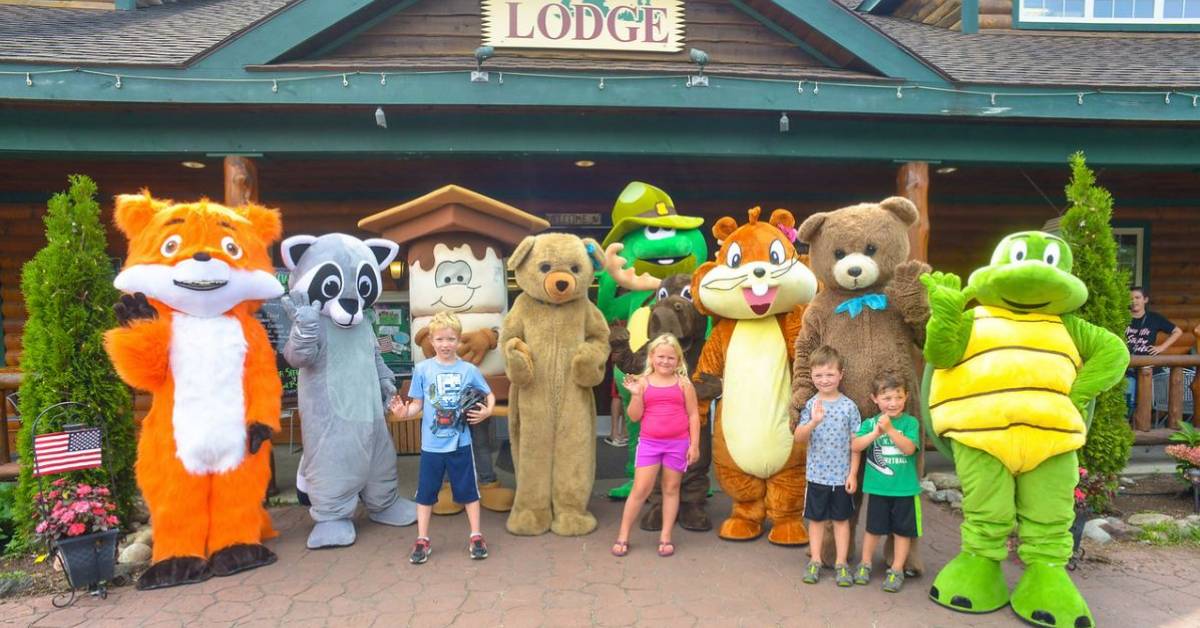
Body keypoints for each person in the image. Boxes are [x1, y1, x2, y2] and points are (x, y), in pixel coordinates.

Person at [389, 311, 496, 564]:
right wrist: (404, 412)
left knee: (469, 492)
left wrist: (487, 411)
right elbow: (416, 404)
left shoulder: (468, 370)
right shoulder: (423, 369)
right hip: (431, 446)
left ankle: (476, 535)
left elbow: (488, 394)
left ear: (458, 340)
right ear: (432, 341)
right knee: (425, 494)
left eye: (451, 339)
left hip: (461, 444)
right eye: (440, 339)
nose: (445, 344)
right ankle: (422, 538)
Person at [610, 333, 701, 558]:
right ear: (652, 357)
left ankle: (666, 536)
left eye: (670, 358)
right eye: (661, 356)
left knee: (671, 488)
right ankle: (623, 535)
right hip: (650, 443)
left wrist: (695, 445)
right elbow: (633, 416)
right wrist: (636, 396)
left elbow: (693, 415)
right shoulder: (642, 382)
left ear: (678, 360)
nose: (665, 362)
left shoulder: (683, 384)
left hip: (678, 443)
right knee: (641, 489)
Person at [793, 345, 861, 586]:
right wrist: (814, 422)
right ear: (811, 376)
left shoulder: (849, 407)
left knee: (842, 520)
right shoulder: (812, 405)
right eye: (819, 375)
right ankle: (816, 560)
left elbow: (856, 444)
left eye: (830, 374)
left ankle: (842, 563)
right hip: (817, 476)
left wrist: (853, 473)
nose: (824, 380)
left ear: (840, 374)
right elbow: (799, 437)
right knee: (816, 520)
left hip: (841, 477)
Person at [850, 374, 921, 593]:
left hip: (904, 490)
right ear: (875, 399)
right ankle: (865, 564)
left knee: (902, 532)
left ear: (906, 397)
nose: (893, 403)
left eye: (898, 397)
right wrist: (875, 432)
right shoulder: (870, 423)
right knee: (873, 529)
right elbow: (856, 446)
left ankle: (897, 569)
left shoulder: (910, 422)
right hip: (878, 489)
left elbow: (909, 449)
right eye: (887, 398)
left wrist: (890, 430)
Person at [1124, 287, 1183, 413]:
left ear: (1145, 300)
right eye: (1131, 298)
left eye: (1137, 298)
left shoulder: (1154, 318)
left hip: (1149, 368)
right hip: (1127, 367)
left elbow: (1177, 331)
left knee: (1146, 403)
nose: (1134, 301)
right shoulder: (1122, 318)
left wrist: (1161, 347)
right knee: (1128, 401)